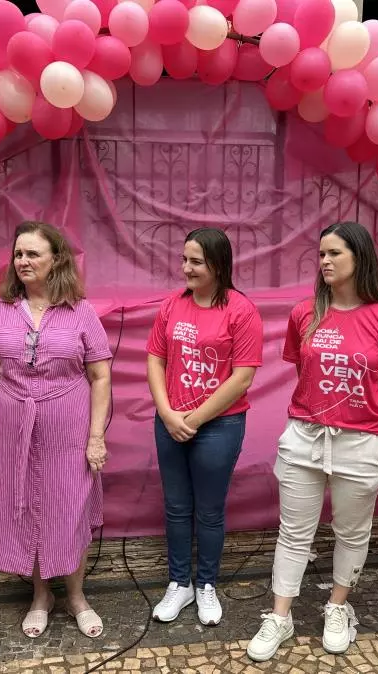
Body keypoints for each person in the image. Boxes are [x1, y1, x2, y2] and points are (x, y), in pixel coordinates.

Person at [247, 221, 378, 662]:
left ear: (360, 257)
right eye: (321, 254)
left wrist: (353, 408)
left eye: (334, 253)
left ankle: (338, 606)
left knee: (352, 532)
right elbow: (306, 373)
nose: (324, 262)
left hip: (363, 442)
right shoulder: (305, 313)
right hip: (304, 436)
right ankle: (280, 616)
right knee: (293, 531)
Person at [0, 221, 112, 640]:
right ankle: (41, 595)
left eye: (33, 253)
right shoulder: (1, 310)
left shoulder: (81, 311)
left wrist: (95, 436)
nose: (23, 261)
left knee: (68, 507)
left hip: (68, 426)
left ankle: (76, 596)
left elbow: (100, 375)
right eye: (18, 254)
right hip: (15, 424)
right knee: (26, 506)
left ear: (56, 259)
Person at [147, 227, 263, 626]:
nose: (186, 268)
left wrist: (193, 419)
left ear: (217, 264)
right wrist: (166, 414)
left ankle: (205, 585)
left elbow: (242, 377)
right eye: (184, 260)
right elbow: (155, 360)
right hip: (171, 421)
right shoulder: (171, 306)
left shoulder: (240, 310)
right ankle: (179, 584)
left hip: (219, 427)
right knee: (177, 508)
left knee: (209, 512)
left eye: (195, 261)